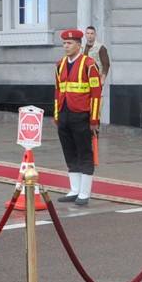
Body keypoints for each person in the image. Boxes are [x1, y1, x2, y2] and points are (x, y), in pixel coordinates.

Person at [53, 29, 102, 206]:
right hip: (64, 114)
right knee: (69, 152)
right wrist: (57, 115)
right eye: (64, 43)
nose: (66, 46)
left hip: (81, 115)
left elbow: (96, 94)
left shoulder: (89, 64)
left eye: (70, 43)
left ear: (78, 45)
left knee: (84, 153)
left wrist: (94, 120)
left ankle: (84, 192)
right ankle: (74, 190)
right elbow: (58, 91)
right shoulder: (59, 64)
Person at [83, 24, 111, 124]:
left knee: (96, 105)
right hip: (84, 81)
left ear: (95, 35)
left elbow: (106, 64)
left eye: (92, 33)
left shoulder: (100, 47)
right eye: (88, 33)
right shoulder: (82, 48)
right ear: (85, 35)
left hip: (96, 79)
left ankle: (95, 129)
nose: (90, 35)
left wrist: (103, 79)